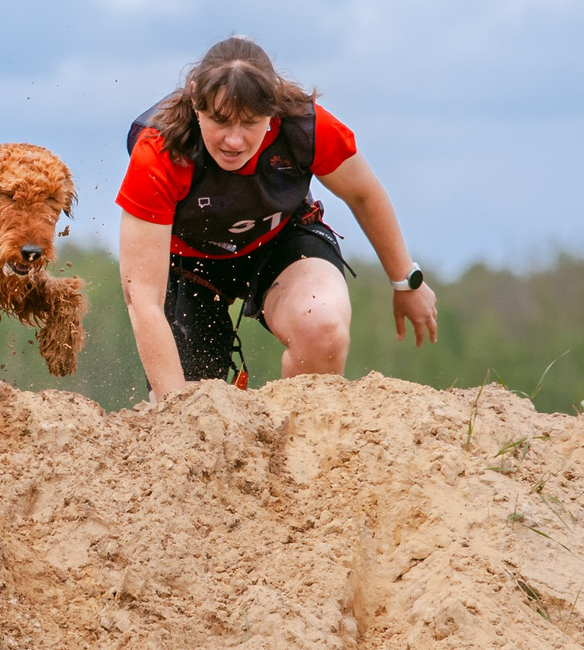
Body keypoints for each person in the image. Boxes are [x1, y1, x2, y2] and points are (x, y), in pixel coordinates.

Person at [115, 37, 438, 398]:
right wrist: (173, 406)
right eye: (220, 121)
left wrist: (405, 282)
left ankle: (300, 444)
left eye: (250, 122)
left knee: (323, 326)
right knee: (181, 399)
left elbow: (363, 193)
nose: (234, 141)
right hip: (192, 265)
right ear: (195, 102)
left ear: (273, 109)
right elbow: (142, 297)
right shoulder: (159, 151)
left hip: (280, 241)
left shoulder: (304, 126)